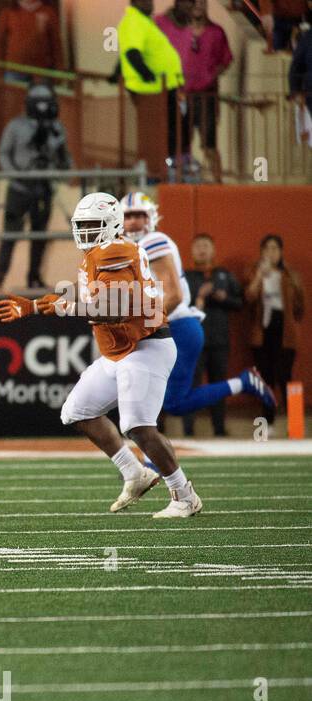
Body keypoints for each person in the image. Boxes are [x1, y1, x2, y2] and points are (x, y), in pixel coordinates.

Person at [0, 192, 202, 518]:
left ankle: (183, 494)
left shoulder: (116, 250)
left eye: (94, 224)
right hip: (119, 350)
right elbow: (88, 295)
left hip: (145, 346)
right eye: (83, 225)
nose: (87, 231)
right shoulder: (96, 254)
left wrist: (59, 308)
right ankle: (135, 473)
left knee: (138, 426)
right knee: (77, 411)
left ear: (113, 224)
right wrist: (35, 305)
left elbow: (111, 309)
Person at [121, 192, 275, 429]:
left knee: (161, 399)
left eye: (138, 216)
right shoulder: (133, 248)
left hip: (175, 327)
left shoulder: (152, 241)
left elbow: (174, 296)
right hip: (168, 328)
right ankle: (242, 383)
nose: (132, 222)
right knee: (157, 399)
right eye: (127, 216)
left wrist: (138, 328)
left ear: (150, 216)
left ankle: (244, 383)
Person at [0, 83, 71, 289]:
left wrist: (58, 150)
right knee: (11, 232)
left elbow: (65, 161)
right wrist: (16, 175)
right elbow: (3, 154)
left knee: (40, 235)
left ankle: (34, 276)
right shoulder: (16, 126)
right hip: (19, 189)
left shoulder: (56, 128)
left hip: (44, 189)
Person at [156, 0, 233, 183]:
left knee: (209, 145)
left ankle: (217, 184)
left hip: (206, 97)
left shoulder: (217, 32)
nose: (198, 6)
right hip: (181, 96)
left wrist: (212, 74)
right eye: (194, 3)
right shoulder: (177, 29)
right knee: (182, 145)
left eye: (202, 3)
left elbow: (226, 59)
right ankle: (182, 184)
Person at [183, 233, 246, 436]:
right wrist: (198, 300)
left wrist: (223, 298)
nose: (202, 249)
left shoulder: (224, 275)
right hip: (193, 341)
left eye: (206, 245)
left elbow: (240, 303)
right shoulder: (186, 277)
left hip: (219, 340)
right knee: (191, 386)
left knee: (219, 384)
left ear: (213, 249)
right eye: (198, 245)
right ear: (192, 251)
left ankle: (219, 430)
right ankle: (188, 431)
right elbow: (177, 306)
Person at [115, 0, 185, 178]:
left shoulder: (144, 21)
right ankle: (156, 172)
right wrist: (147, 74)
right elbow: (131, 52)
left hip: (162, 88)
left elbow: (127, 53)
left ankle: (165, 169)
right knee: (156, 134)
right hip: (151, 90)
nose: (151, 3)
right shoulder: (134, 21)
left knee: (171, 130)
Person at [245, 234, 305, 419]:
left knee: (285, 375)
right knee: (265, 377)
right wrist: (259, 277)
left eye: (275, 248)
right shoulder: (254, 272)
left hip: (285, 329)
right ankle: (267, 422)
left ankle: (294, 422)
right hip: (263, 329)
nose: (271, 253)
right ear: (261, 252)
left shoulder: (290, 274)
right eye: (267, 248)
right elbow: (249, 298)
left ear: (281, 252)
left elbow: (300, 306)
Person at [0, 0, 64, 83]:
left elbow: (56, 45)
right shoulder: (8, 12)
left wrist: (59, 71)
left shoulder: (48, 12)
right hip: (14, 71)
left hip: (41, 72)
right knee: (13, 95)